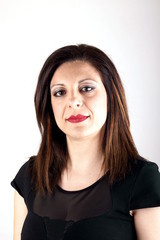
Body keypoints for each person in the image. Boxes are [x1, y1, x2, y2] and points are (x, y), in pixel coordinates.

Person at [11, 44, 160, 240]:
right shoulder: (29, 176)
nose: (74, 101)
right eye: (59, 92)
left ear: (111, 96)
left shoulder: (142, 179)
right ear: (49, 105)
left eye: (87, 88)